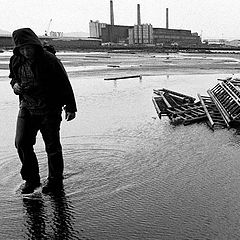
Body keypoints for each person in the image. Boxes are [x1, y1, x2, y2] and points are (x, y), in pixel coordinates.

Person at [9, 28, 77, 194]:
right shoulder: (16, 60)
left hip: (49, 108)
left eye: (29, 48)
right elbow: (13, 79)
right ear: (18, 49)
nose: (26, 52)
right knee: (22, 143)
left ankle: (55, 180)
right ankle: (31, 179)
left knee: (52, 146)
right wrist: (15, 86)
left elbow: (64, 82)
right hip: (27, 106)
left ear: (35, 45)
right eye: (22, 49)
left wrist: (70, 107)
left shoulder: (49, 60)